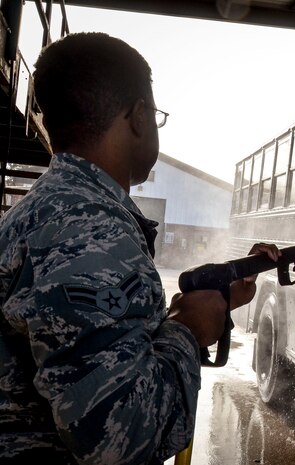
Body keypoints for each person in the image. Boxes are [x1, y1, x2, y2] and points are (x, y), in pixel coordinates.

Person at [0, 32, 278, 464]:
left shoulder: (53, 209)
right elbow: (119, 437)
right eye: (156, 115)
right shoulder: (88, 230)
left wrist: (202, 302)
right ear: (140, 116)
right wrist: (188, 330)